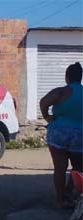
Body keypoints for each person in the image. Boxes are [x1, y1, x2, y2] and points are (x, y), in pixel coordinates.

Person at [40, 62, 83, 208]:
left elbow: (43, 102)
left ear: (67, 77)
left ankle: (60, 199)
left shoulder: (60, 92)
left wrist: (47, 117)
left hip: (58, 133)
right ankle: (70, 194)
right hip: (80, 135)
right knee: (77, 168)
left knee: (60, 167)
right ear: (81, 77)